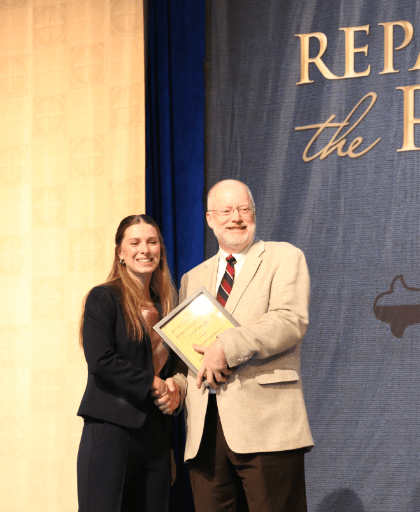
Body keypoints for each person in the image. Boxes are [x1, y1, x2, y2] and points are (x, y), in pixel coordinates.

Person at [180, 180, 314, 512]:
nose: (236, 218)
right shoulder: (191, 279)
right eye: (226, 211)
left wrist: (228, 344)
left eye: (243, 209)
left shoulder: (284, 257)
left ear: (254, 214)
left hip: (267, 423)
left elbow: (289, 320)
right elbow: (190, 353)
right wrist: (178, 385)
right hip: (206, 432)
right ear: (210, 219)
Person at [77, 214, 186, 512]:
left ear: (160, 250)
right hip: (112, 429)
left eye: (152, 242)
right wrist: (151, 382)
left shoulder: (168, 306)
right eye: (135, 242)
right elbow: (100, 360)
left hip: (158, 434)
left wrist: (175, 389)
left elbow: (178, 364)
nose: (145, 249)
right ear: (120, 253)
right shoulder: (104, 297)